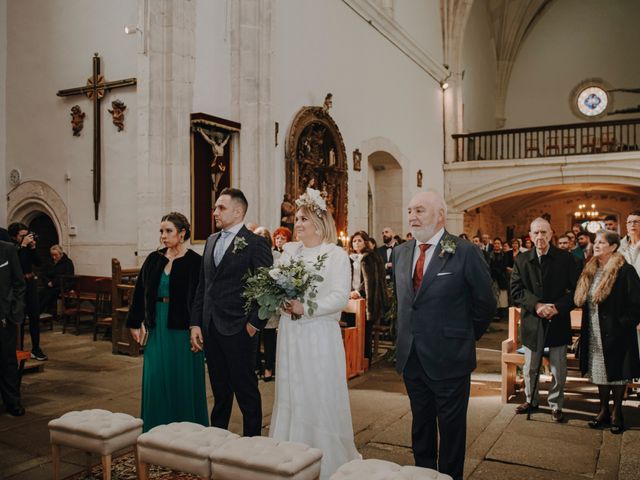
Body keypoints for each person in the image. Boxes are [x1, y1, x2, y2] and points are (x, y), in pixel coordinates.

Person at [392, 191, 495, 480]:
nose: (412, 216)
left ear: (440, 215)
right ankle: (423, 475)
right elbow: (405, 302)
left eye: (420, 210)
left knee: (451, 432)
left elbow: (485, 303)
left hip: (451, 357)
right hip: (412, 357)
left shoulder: (462, 250)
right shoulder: (401, 252)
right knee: (420, 427)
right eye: (410, 210)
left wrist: (462, 337)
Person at [269, 188, 361, 479]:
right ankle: (289, 452)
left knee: (318, 390)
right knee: (292, 388)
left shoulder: (335, 255)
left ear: (320, 223)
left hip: (319, 333)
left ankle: (325, 454)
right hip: (291, 334)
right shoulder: (289, 252)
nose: (297, 224)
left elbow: (338, 297)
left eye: (303, 219)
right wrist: (281, 302)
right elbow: (275, 285)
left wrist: (304, 307)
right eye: (296, 219)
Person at [190, 188, 273, 437]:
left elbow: (267, 288)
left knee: (246, 390)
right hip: (211, 326)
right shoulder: (212, 240)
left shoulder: (255, 243)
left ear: (238, 211)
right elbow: (204, 286)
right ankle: (217, 439)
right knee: (219, 391)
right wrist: (196, 323)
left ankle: (251, 445)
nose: (215, 212)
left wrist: (254, 324)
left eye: (221, 208)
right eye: (215, 207)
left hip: (239, 328)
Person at [127, 213, 208, 432]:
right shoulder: (154, 259)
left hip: (183, 330)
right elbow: (140, 291)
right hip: (157, 326)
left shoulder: (195, 261)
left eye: (168, 231)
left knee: (181, 380)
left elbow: (201, 298)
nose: (163, 236)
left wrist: (197, 326)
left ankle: (187, 431)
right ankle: (155, 429)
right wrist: (135, 322)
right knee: (156, 377)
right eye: (161, 231)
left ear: (182, 234)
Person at [510, 217, 580, 422]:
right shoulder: (522, 260)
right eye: (536, 233)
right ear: (530, 236)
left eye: (544, 232)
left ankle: (556, 405)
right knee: (531, 367)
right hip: (533, 320)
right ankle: (531, 400)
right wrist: (537, 305)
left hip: (558, 320)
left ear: (551, 234)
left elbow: (577, 290)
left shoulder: (566, 259)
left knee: (559, 368)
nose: (540, 236)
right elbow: (516, 290)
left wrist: (557, 307)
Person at [574, 230, 640, 434]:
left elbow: (637, 304)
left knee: (617, 374)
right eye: (596, 242)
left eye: (601, 242)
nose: (596, 245)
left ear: (613, 247)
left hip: (616, 332)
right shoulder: (591, 268)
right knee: (599, 372)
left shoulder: (625, 270)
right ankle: (603, 411)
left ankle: (616, 413)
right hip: (594, 330)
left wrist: (622, 324)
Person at [348, 231, 387, 366]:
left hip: (367, 299)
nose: (356, 243)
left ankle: (365, 360)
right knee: (350, 328)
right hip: (350, 299)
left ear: (365, 242)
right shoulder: (349, 258)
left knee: (365, 331)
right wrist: (350, 292)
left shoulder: (371, 257)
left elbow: (372, 280)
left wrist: (359, 292)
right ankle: (351, 360)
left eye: (359, 240)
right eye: (354, 241)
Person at [8, 223, 45, 361]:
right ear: (14, 236)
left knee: (35, 316)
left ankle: (36, 348)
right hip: (18, 286)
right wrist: (23, 247)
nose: (26, 238)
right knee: (20, 318)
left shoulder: (27, 247)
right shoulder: (11, 248)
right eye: (22, 235)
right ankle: (19, 349)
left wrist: (33, 247)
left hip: (30, 283)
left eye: (26, 234)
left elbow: (38, 262)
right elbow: (19, 265)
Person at [0, 239, 26, 416]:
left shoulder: (7, 249)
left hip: (3, 317)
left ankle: (12, 402)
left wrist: (13, 313)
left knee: (7, 360)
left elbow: (19, 283)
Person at [253, 227, 281, 382]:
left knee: (269, 338)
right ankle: (256, 366)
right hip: (254, 301)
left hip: (270, 302)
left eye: (264, 237)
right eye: (258, 237)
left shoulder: (276, 255)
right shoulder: (250, 254)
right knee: (254, 338)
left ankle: (269, 368)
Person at [39, 245, 75, 315]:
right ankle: (41, 313)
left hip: (62, 286)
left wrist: (53, 283)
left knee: (49, 294)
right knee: (40, 293)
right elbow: (44, 274)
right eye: (52, 255)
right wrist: (48, 282)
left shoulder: (67, 262)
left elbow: (68, 276)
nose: (54, 257)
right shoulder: (50, 261)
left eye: (56, 255)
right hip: (50, 285)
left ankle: (40, 312)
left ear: (61, 254)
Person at [489, 238, 509, 319]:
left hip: (502, 277)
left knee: (502, 296)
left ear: (500, 245)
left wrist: (499, 271)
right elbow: (489, 266)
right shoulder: (490, 254)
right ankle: (495, 313)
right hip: (493, 277)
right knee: (494, 295)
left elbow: (504, 265)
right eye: (495, 243)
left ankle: (502, 313)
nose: (496, 245)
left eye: (498, 243)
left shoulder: (504, 255)